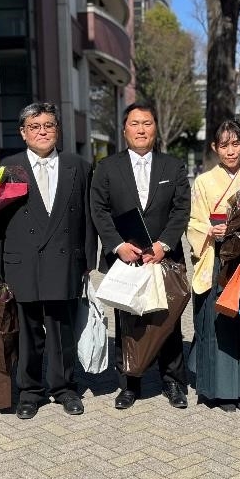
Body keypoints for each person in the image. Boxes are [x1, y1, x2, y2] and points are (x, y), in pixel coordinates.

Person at [0, 102, 97, 419]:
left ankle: (64, 388)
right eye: (34, 127)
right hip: (22, 263)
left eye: (48, 125)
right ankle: (30, 391)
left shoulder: (78, 165)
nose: (42, 132)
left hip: (64, 261)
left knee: (62, 331)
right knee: (27, 333)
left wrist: (88, 260)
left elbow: (88, 217)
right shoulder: (8, 168)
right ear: (23, 133)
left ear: (57, 130)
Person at [90, 102, 191, 410]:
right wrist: (117, 245)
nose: (141, 129)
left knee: (168, 321)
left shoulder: (173, 166)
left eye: (147, 123)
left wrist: (164, 244)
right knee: (127, 322)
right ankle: (129, 384)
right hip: (127, 257)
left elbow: (181, 209)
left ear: (155, 128)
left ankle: (173, 382)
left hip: (163, 258)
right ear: (124, 130)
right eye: (134, 124)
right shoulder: (107, 167)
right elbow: (99, 209)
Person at [186, 120, 240, 412]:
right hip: (215, 259)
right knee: (216, 324)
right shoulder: (203, 182)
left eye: (236, 144)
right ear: (215, 148)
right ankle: (217, 392)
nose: (231, 151)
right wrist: (209, 230)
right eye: (224, 145)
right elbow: (193, 221)